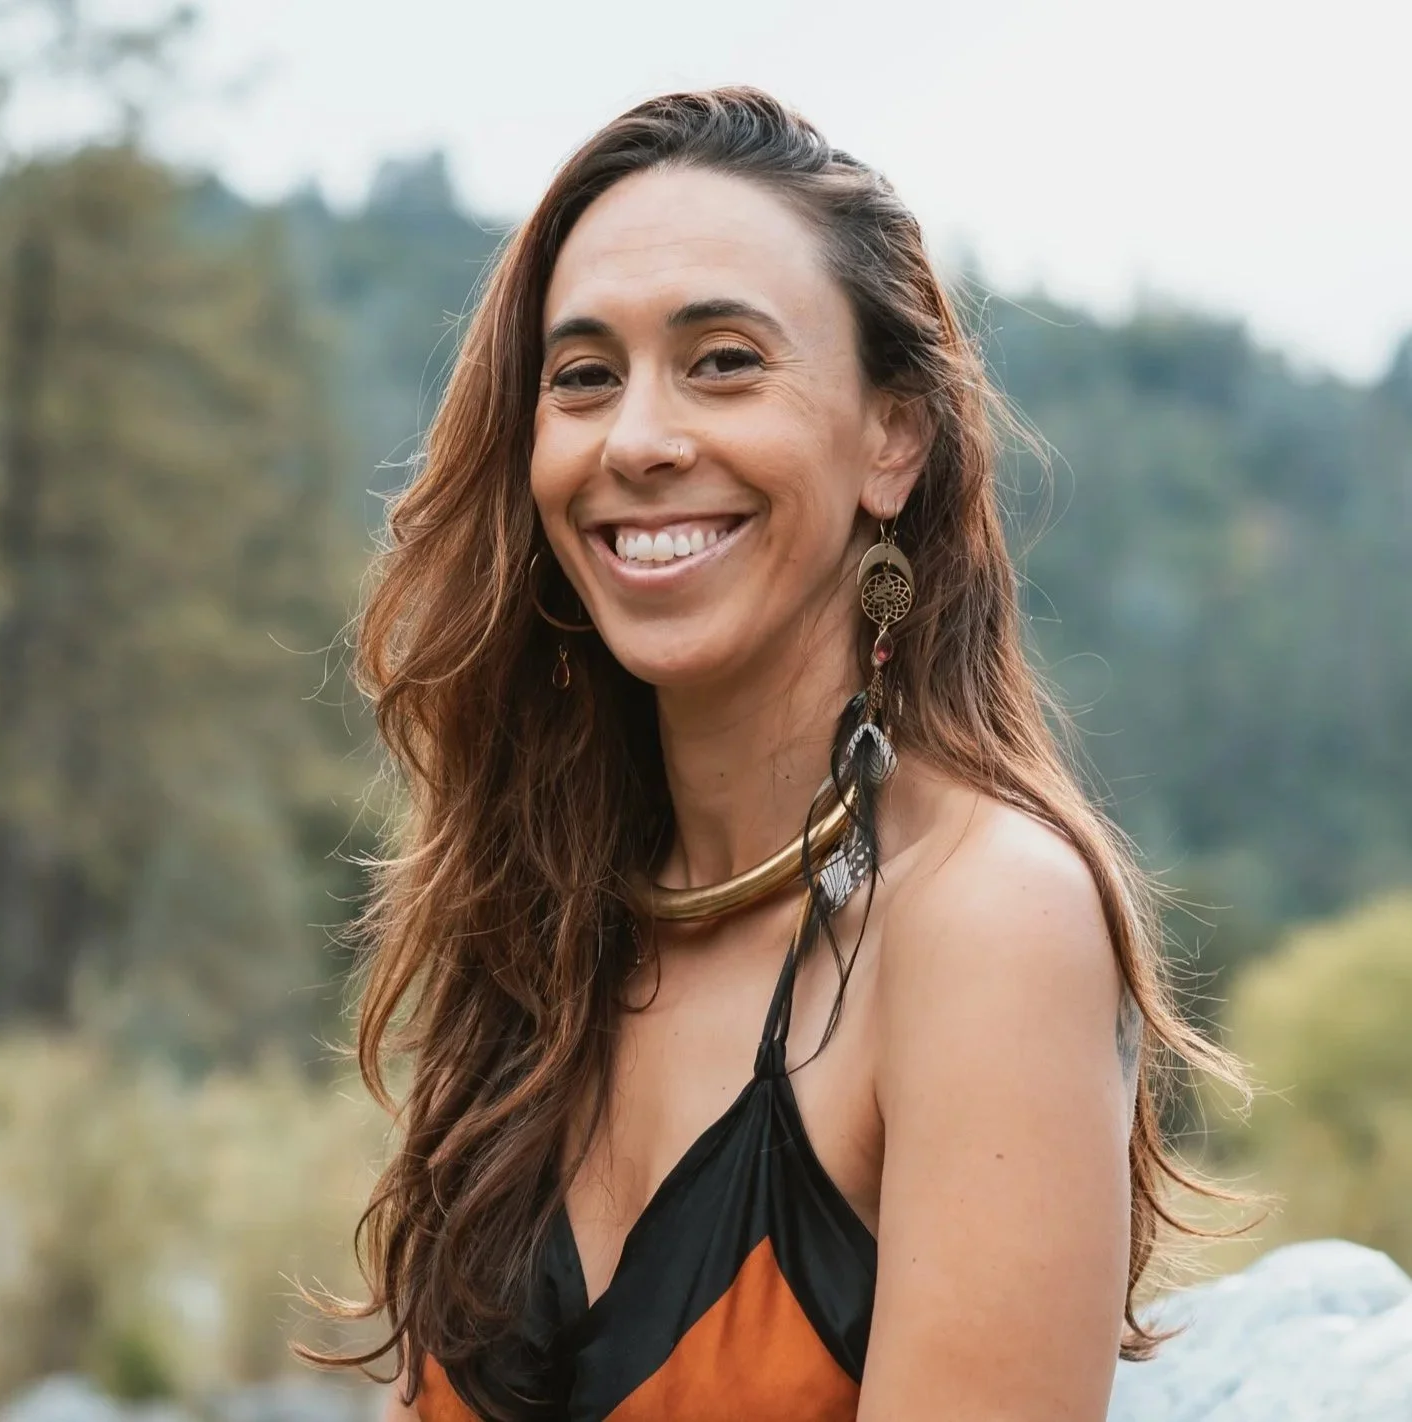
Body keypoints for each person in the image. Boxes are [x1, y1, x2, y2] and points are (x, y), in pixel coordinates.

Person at [307, 87, 1242, 1421]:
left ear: (891, 439)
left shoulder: (981, 921)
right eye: (582, 377)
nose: (635, 438)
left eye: (724, 361)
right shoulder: (539, 918)